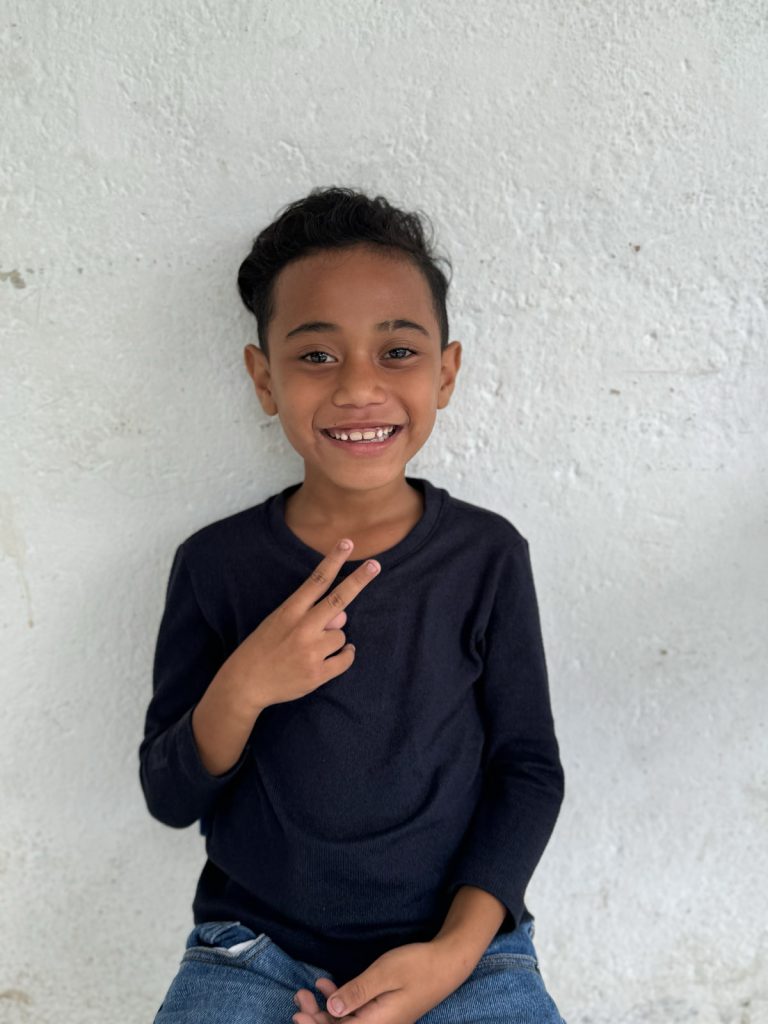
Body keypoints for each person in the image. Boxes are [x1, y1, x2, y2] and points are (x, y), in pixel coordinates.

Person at [140, 186, 567, 1024]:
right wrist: (244, 686)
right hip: (256, 952)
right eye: (316, 355)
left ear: (446, 372)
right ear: (264, 378)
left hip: (463, 954)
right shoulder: (216, 565)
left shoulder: (486, 556)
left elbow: (529, 773)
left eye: (398, 351)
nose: (359, 387)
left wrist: (453, 955)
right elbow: (169, 795)